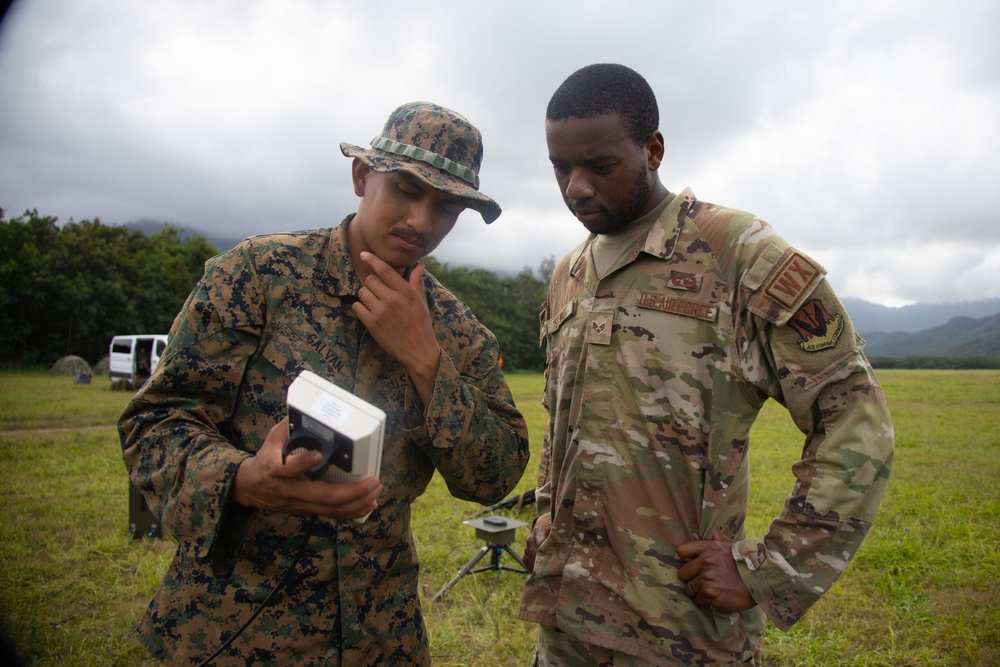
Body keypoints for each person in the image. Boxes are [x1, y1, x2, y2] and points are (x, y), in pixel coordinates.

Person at [120, 101, 531, 666]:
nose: (421, 221)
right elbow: (154, 423)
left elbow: (498, 473)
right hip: (231, 631)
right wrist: (241, 479)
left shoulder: (457, 332)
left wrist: (426, 361)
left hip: (381, 636)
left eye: (447, 206)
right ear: (363, 177)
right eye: (407, 190)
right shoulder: (256, 277)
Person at [518, 64, 894, 666]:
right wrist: (543, 516)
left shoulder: (736, 252)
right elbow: (560, 418)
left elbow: (856, 421)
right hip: (566, 628)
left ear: (653, 149)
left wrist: (772, 569)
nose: (576, 188)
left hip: (680, 632)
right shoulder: (570, 273)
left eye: (600, 166)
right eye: (561, 168)